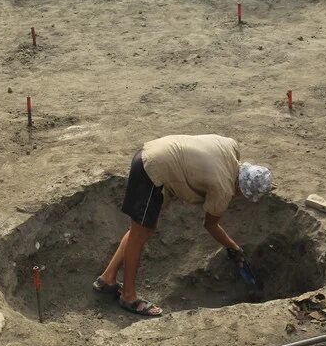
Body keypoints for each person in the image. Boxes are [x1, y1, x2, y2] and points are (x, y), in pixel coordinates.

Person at [92, 134, 273, 316]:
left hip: (151, 152)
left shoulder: (231, 147)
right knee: (139, 235)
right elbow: (210, 225)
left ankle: (108, 278)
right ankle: (128, 297)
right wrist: (233, 247)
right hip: (152, 170)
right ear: (242, 189)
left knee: (140, 230)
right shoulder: (223, 189)